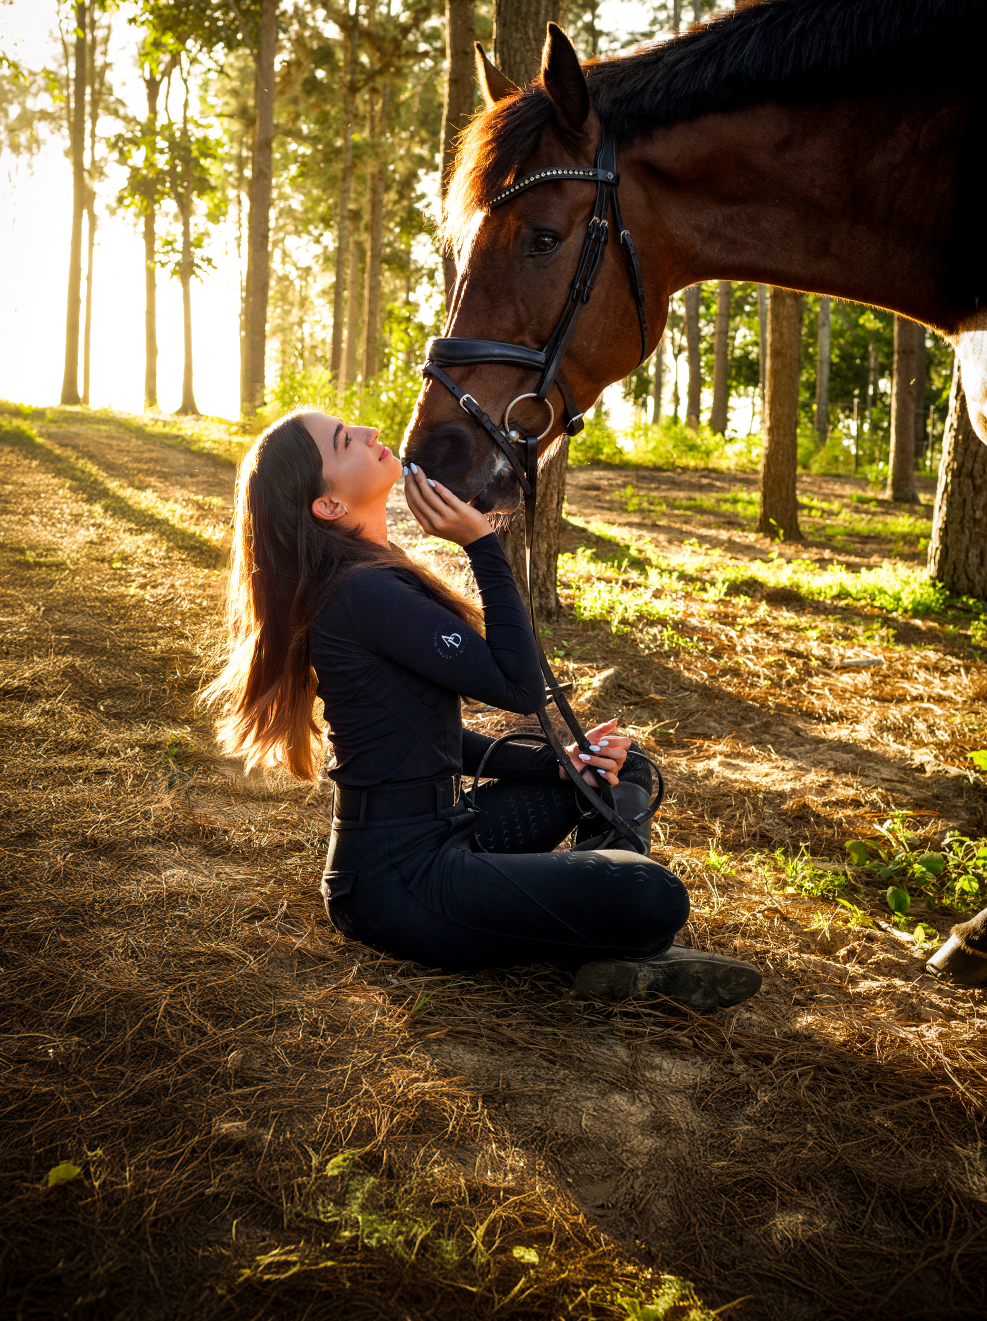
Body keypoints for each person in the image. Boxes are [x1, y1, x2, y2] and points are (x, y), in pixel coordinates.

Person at [205, 410, 762, 1011]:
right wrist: (482, 544)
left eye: (354, 427)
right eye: (346, 441)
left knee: (621, 773)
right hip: (399, 882)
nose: (369, 433)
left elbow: (432, 736)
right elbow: (519, 687)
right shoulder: (360, 592)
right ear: (329, 506)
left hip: (448, 834)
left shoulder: (371, 577)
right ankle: (607, 925)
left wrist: (556, 765)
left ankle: (595, 933)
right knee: (654, 896)